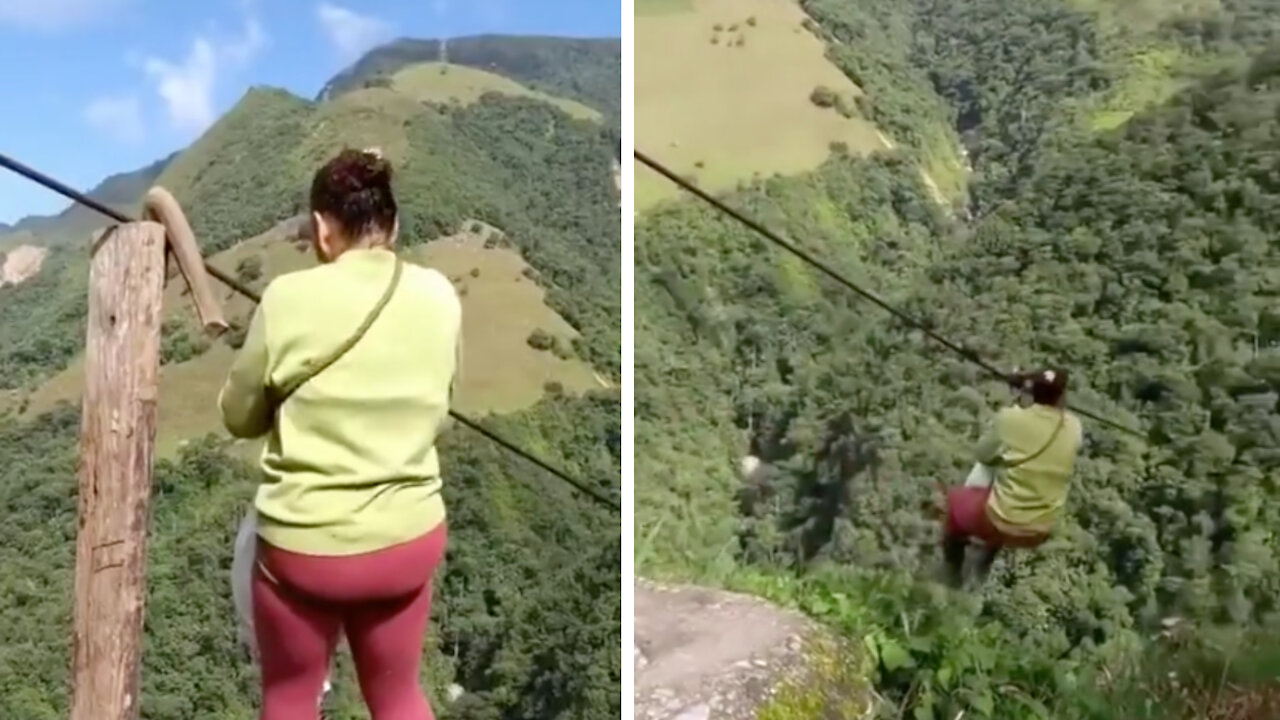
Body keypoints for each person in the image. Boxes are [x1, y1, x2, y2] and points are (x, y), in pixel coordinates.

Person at [218, 147, 462, 720]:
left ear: (322, 229)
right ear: (393, 226)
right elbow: (441, 410)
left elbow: (239, 417)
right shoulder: (439, 296)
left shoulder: (285, 300)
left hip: (305, 550)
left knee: (291, 697)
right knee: (399, 695)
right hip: (406, 539)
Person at [941, 368, 1083, 588]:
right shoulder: (1074, 427)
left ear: (1032, 391)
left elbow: (983, 454)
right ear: (1062, 396)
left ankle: (951, 578)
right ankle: (983, 566)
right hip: (1042, 527)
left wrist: (1018, 396)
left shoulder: (1010, 419)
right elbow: (1048, 421)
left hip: (1001, 521)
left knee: (953, 504)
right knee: (1011, 490)